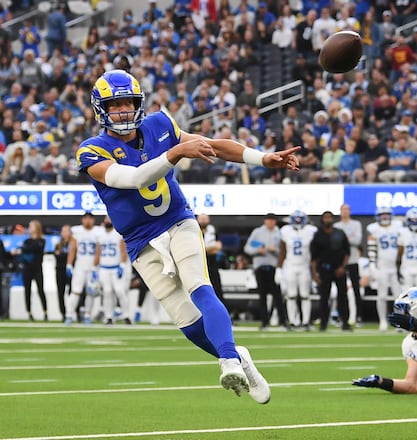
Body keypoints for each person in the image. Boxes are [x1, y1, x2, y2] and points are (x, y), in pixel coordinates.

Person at [77, 70, 299, 403]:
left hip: (177, 221)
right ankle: (237, 356)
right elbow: (134, 178)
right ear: (101, 109)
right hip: (140, 241)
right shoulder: (92, 150)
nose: (123, 111)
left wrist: (261, 158)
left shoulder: (159, 125)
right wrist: (175, 154)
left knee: (200, 287)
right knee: (187, 322)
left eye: (128, 103)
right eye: (116, 104)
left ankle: (227, 359)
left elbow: (212, 147)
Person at [245, 213, 287, 330]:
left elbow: (284, 251)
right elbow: (247, 248)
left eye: (272, 220)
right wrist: (258, 250)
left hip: (274, 267)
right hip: (260, 266)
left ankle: (283, 322)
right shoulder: (258, 232)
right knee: (262, 296)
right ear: (265, 221)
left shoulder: (279, 233)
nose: (270, 222)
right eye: (268, 220)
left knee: (278, 296)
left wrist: (275, 250)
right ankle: (264, 322)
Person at [310, 211, 351, 331]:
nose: (328, 220)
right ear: (322, 220)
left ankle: (345, 322)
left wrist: (343, 267)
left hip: (339, 268)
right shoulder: (318, 235)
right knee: (324, 297)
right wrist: (314, 273)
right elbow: (314, 257)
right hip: (324, 269)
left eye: (329, 217)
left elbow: (347, 252)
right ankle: (323, 323)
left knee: (342, 296)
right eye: (325, 217)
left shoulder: (339, 233)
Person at [278, 210, 318, 330]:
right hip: (290, 266)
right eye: (296, 218)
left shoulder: (310, 231)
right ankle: (293, 321)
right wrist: (279, 268)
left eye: (300, 218)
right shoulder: (285, 231)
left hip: (304, 266)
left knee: (305, 295)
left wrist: (314, 270)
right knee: (291, 295)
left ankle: (305, 322)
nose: (298, 221)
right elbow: (283, 251)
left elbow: (313, 251)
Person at [367, 205, 403, 331]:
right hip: (382, 266)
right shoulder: (374, 229)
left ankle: (399, 321)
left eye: (386, 214)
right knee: (381, 295)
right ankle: (382, 320)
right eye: (382, 215)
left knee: (398, 296)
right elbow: (371, 247)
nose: (385, 217)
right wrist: (372, 265)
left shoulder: (397, 227)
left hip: (394, 267)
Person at [65, 211, 102, 325]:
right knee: (75, 291)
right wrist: (69, 264)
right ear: (82, 219)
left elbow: (98, 250)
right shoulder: (77, 231)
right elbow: (73, 249)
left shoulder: (98, 232)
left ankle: (87, 315)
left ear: (93, 220)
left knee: (90, 292)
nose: (87, 220)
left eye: (90, 218)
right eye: (85, 218)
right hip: (80, 266)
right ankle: (69, 315)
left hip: (92, 267)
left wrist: (95, 267)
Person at [93, 216, 132, 325]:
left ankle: (126, 315)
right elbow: (98, 252)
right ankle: (109, 316)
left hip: (116, 267)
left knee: (120, 291)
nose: (108, 221)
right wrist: (94, 268)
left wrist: (123, 265)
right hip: (104, 268)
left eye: (110, 219)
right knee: (107, 292)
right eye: (106, 219)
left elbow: (123, 250)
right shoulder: (100, 235)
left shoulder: (117, 234)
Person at [335, 204, 364, 325]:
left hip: (353, 260)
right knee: (341, 291)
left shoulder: (356, 224)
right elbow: (336, 243)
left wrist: (343, 239)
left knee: (356, 290)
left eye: (347, 209)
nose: (345, 212)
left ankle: (358, 316)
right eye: (343, 210)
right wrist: (347, 239)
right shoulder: (336, 226)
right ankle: (342, 316)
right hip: (340, 261)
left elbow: (357, 240)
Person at [13, 220, 47, 321]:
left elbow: (33, 248)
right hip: (27, 269)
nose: (29, 228)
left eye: (31, 226)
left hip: (37, 268)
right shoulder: (27, 241)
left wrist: (22, 250)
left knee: (40, 290)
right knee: (27, 291)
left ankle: (45, 311)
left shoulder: (41, 241)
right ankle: (29, 312)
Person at [197, 213, 224, 304]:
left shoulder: (214, 231)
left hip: (212, 265)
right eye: (201, 219)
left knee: (217, 288)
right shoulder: (194, 231)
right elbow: (196, 249)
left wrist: (204, 249)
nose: (203, 221)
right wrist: (209, 249)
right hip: (198, 265)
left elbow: (218, 247)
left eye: (205, 219)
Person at [53, 225, 72, 321]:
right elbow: (57, 257)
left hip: (70, 270)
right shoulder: (58, 244)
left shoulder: (73, 244)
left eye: (67, 231)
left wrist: (62, 256)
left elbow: (71, 256)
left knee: (73, 292)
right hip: (60, 270)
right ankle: (63, 313)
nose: (65, 233)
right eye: (63, 231)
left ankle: (73, 311)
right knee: (60, 292)